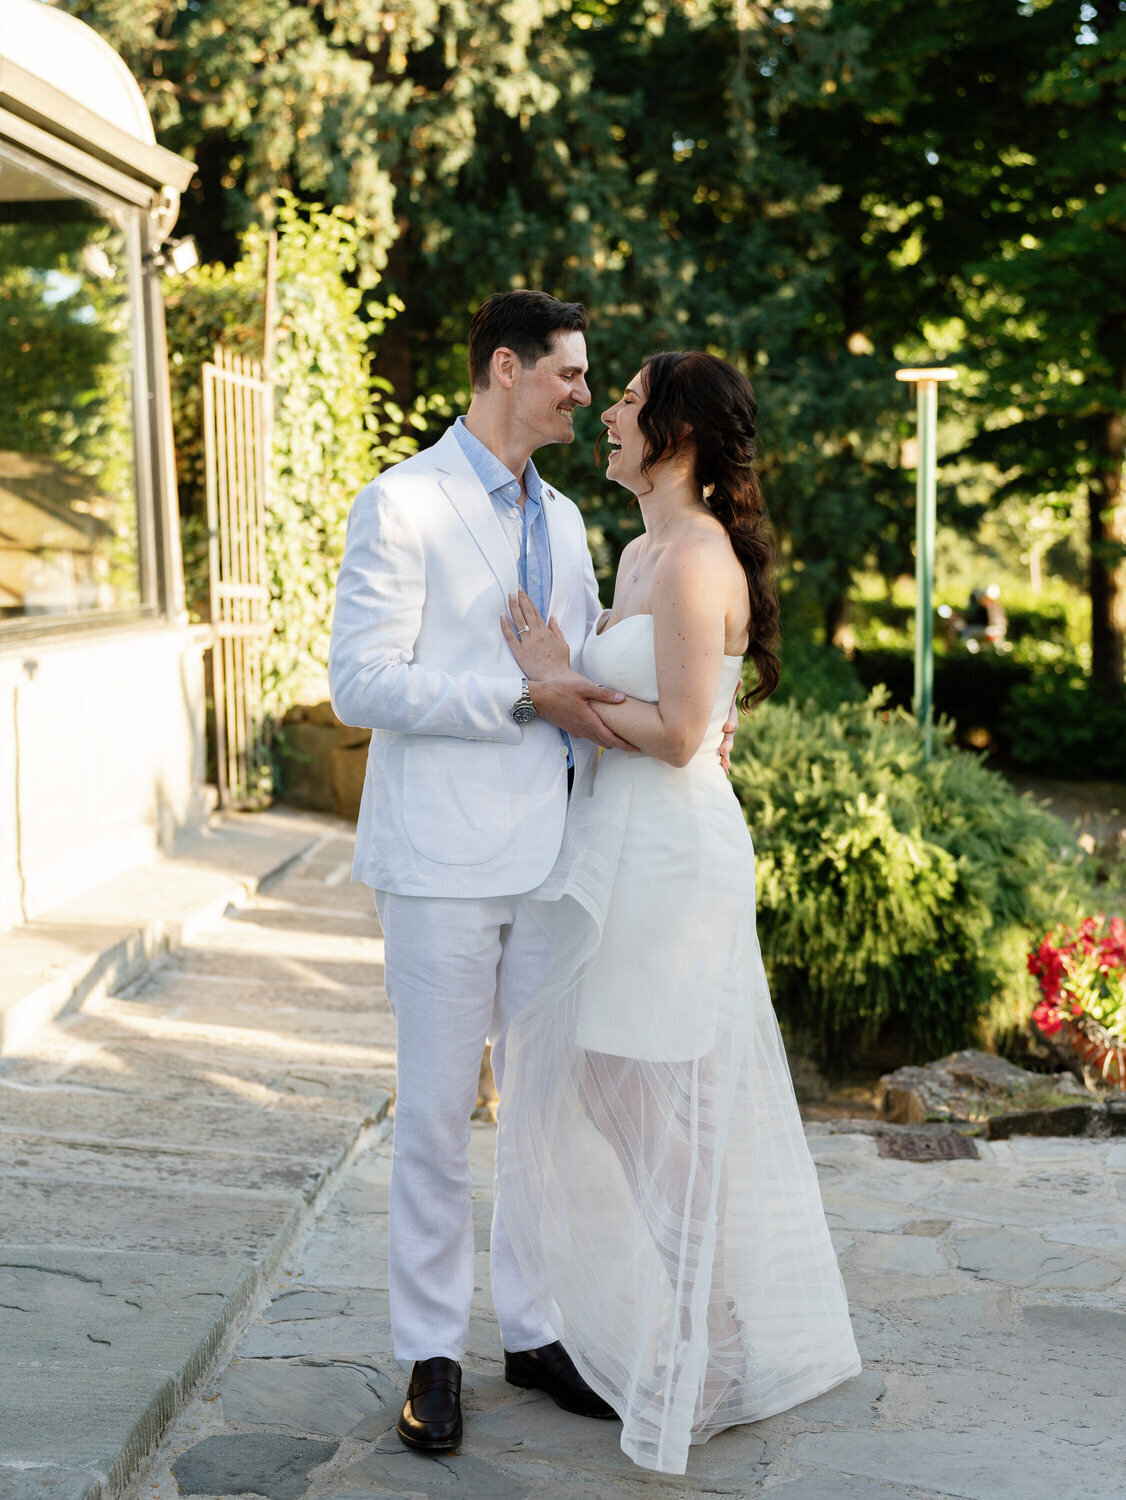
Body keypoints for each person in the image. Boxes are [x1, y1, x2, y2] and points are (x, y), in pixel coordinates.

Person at [328, 292, 733, 1455]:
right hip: (442, 865)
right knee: (438, 1119)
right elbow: (361, 683)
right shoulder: (399, 504)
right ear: (505, 368)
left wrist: (695, 718)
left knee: (546, 1114)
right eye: (568, 374)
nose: (582, 395)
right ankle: (429, 1353)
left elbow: (604, 666)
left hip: (563, 862)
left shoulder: (564, 521)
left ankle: (537, 1331)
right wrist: (518, 696)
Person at [497, 350, 862, 1475]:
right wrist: (580, 680)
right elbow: (649, 700)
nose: (604, 410)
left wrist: (561, 683)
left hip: (672, 853)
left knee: (670, 1093)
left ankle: (712, 1334)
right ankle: (707, 1309)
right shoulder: (637, 549)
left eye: (626, 398)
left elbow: (679, 731)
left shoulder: (699, 559)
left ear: (677, 434)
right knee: (611, 1082)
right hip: (617, 842)